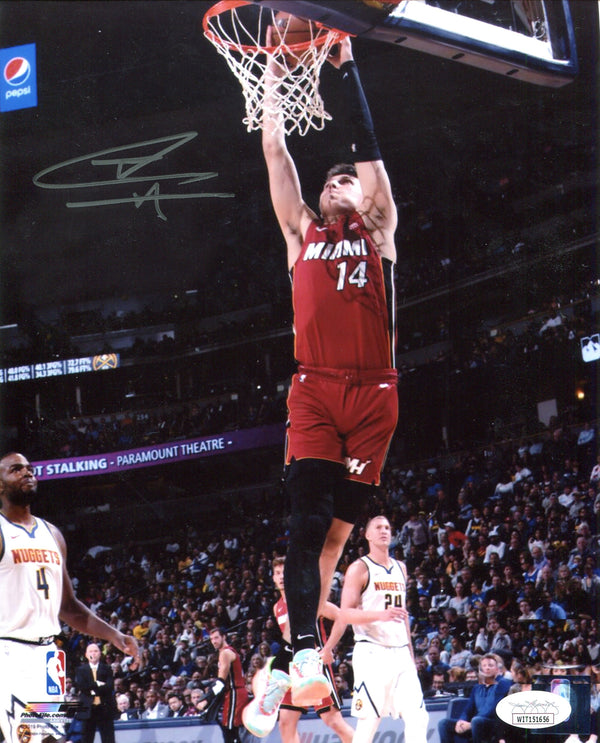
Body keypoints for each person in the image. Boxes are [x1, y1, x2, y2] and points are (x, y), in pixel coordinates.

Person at [261, 31, 398, 706]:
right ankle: (304, 653)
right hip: (315, 390)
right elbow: (275, 152)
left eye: (349, 177)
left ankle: (296, 649)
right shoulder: (301, 235)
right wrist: (269, 74)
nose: (342, 181)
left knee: (339, 535)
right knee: (308, 521)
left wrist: (347, 72)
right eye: (332, 179)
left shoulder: (379, 230)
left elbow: (370, 152)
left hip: (375, 397)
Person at [0, 452, 139, 743]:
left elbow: (69, 607)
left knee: (52, 739)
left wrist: (114, 635)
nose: (27, 473)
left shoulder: (52, 534)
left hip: (50, 657)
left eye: (29, 468)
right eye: (16, 470)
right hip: (9, 654)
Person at [321, 515, 428, 743]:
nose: (384, 531)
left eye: (388, 527)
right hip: (372, 651)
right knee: (370, 720)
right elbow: (345, 613)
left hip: (400, 652)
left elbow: (403, 616)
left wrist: (411, 654)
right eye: (378, 527)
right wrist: (382, 615)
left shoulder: (401, 567)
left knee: (418, 716)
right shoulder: (359, 568)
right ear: (367, 535)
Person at [243, 556, 354, 742]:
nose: (281, 577)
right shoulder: (277, 607)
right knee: (285, 723)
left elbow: (341, 617)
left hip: (314, 665)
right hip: (291, 669)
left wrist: (328, 649)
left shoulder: (307, 597)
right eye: (277, 573)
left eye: (284, 572)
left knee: (333, 721)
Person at [438, 654, 512, 743]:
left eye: (490, 666)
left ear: (497, 669)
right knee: (443, 723)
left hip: (493, 724)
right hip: (475, 723)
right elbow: (468, 709)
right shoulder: (477, 687)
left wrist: (470, 724)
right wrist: (461, 721)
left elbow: (494, 709)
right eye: (484, 666)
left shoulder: (503, 683)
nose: (487, 668)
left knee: (476, 721)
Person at [198, 627, 249, 743]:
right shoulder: (227, 652)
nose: (214, 641)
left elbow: (220, 682)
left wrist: (207, 699)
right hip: (233, 692)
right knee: (229, 730)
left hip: (235, 693)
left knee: (230, 731)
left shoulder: (225, 653)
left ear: (224, 637)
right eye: (211, 639)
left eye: (216, 638)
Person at [74, 643, 117, 743]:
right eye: (90, 651)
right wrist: (98, 684)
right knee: (87, 739)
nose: (93, 653)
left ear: (100, 654)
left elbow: (109, 687)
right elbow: (82, 687)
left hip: (104, 709)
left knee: (108, 739)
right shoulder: (80, 670)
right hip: (88, 709)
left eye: (96, 651)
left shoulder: (107, 669)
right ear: (86, 654)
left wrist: (92, 687)